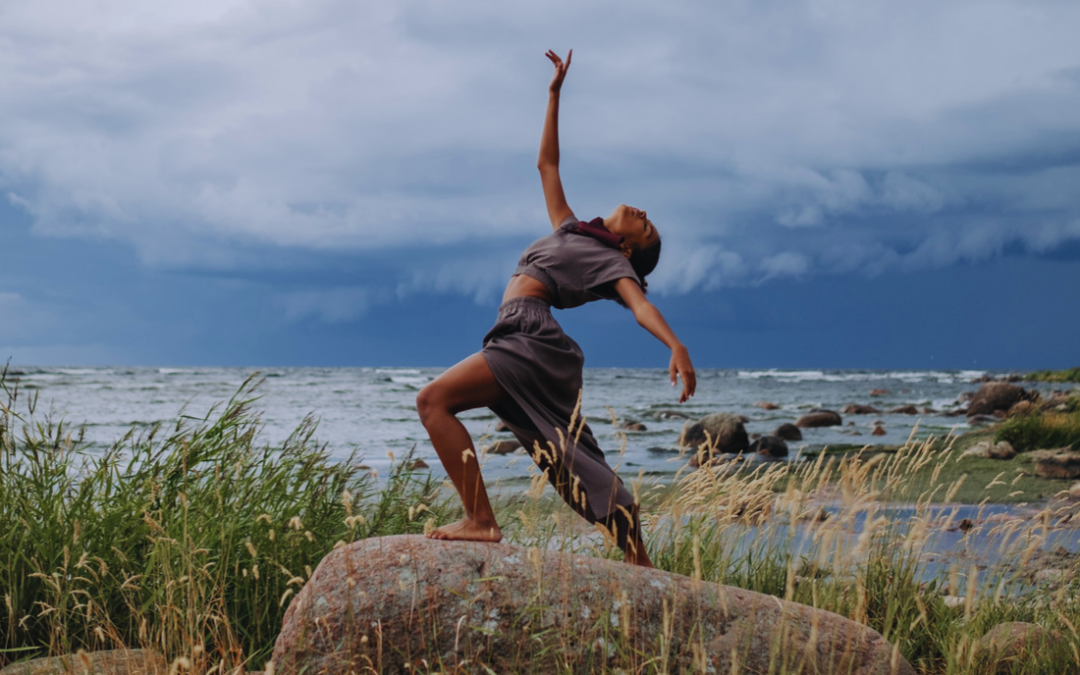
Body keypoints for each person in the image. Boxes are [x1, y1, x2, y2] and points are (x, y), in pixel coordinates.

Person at [416, 49, 695, 568]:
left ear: (630, 248)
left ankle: (480, 521)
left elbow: (638, 307)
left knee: (433, 401)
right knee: (569, 459)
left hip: (529, 337)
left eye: (647, 225)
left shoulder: (615, 264)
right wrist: (554, 94)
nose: (643, 213)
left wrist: (675, 343)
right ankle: (638, 558)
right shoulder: (573, 230)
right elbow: (547, 164)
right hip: (518, 336)